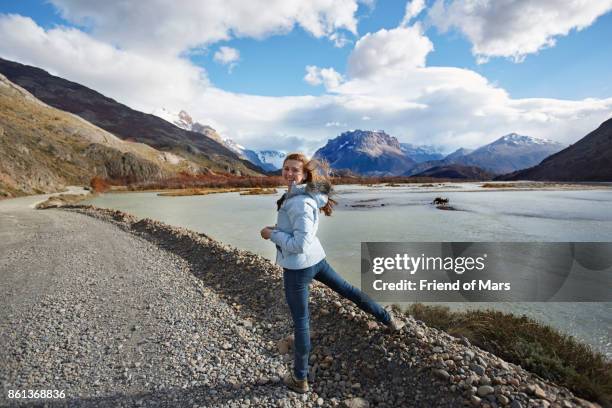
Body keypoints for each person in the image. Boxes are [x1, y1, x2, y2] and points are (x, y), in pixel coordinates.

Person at [260, 152, 405, 394]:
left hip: (298, 268)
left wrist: (271, 234)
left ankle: (299, 378)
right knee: (347, 290)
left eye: (295, 170)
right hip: (317, 260)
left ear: (305, 174)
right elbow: (299, 232)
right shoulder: (305, 194)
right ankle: (388, 319)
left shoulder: (300, 201)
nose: (289, 173)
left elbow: (299, 244)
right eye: (286, 168)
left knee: (301, 323)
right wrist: (278, 228)